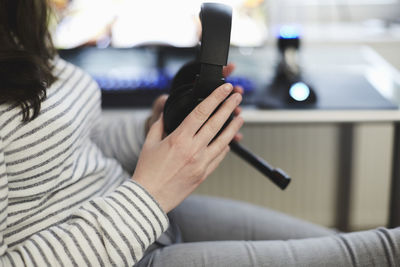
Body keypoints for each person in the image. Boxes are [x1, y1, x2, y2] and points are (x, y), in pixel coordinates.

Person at [0, 1, 399, 266]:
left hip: (142, 210)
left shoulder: (16, 36)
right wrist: (151, 193)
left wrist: (155, 128)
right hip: (111, 246)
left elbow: (65, 140)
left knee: (357, 245)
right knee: (383, 251)